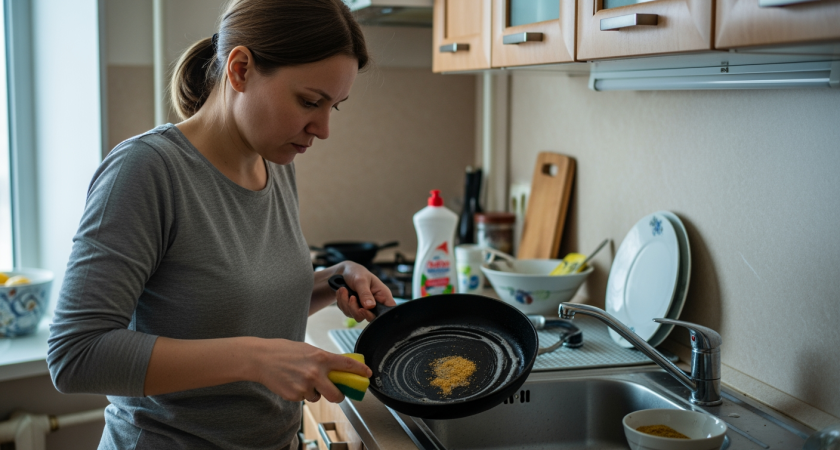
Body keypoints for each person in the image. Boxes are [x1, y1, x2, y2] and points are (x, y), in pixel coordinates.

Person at [46, 1, 395, 448]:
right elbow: (76, 355)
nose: (323, 128)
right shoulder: (147, 170)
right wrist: (256, 359)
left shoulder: (276, 164)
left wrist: (333, 279)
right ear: (241, 69)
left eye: (334, 107)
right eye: (310, 102)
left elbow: (226, 306)